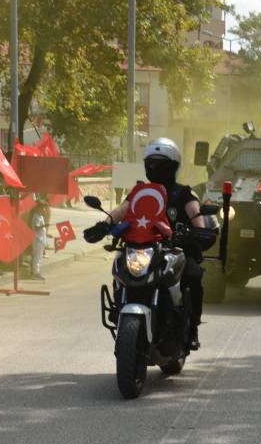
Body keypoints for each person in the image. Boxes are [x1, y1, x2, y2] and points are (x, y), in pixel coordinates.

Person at [87, 138, 216, 348]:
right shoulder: (140, 192)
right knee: (121, 266)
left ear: (173, 166)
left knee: (193, 275)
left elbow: (196, 216)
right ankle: (119, 309)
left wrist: (198, 232)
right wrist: (104, 224)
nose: (155, 168)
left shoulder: (183, 193)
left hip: (172, 250)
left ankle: (192, 328)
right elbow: (122, 210)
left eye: (161, 164)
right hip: (142, 247)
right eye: (151, 163)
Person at [27, 195, 50, 281]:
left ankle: (37, 271)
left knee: (39, 257)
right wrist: (44, 225)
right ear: (38, 208)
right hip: (37, 240)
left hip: (41, 239)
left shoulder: (40, 216)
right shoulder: (36, 216)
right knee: (37, 257)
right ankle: (35, 273)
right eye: (42, 208)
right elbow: (36, 227)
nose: (44, 210)